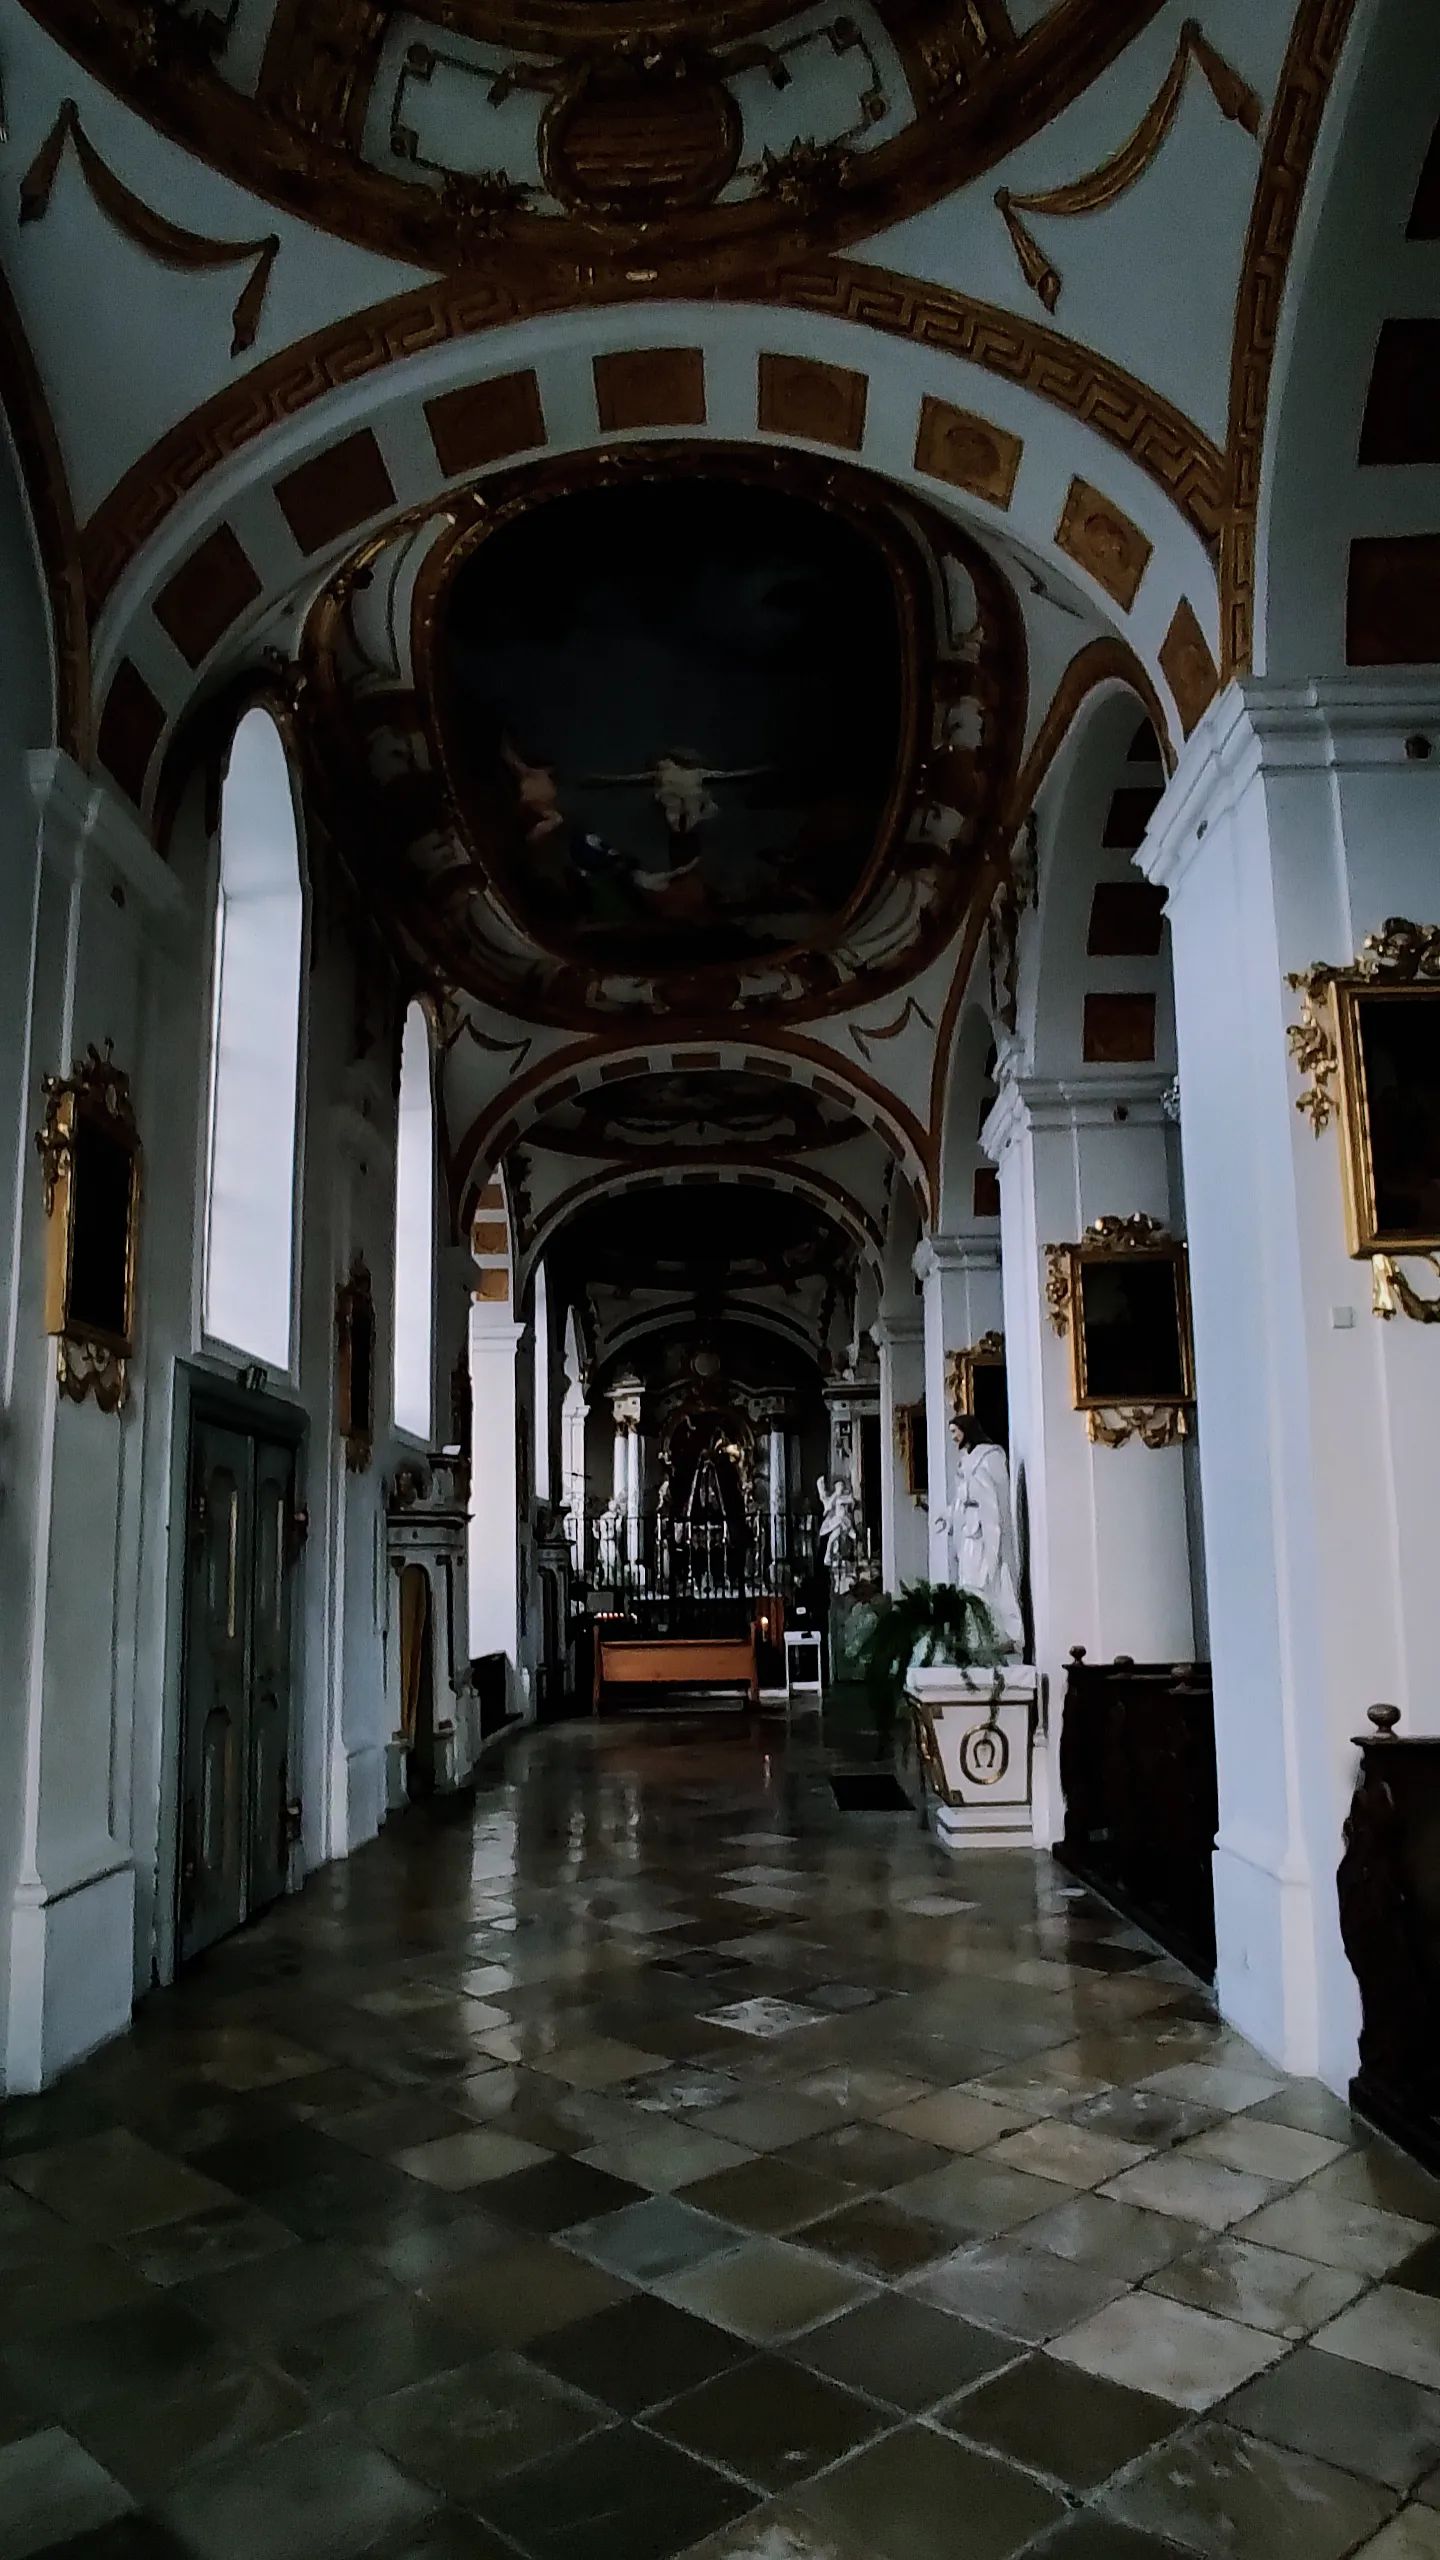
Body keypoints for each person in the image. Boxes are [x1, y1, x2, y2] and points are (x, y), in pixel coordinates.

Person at [936, 1414, 1024, 1654]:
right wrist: (948, 1515)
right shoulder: (966, 1460)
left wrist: (972, 1501)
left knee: (987, 1580)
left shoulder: (989, 1457)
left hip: (984, 1532)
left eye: (955, 1432)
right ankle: (976, 1637)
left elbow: (993, 1497)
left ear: (967, 1430)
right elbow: (960, 1498)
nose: (953, 1437)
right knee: (969, 1583)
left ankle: (997, 1635)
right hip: (969, 1531)